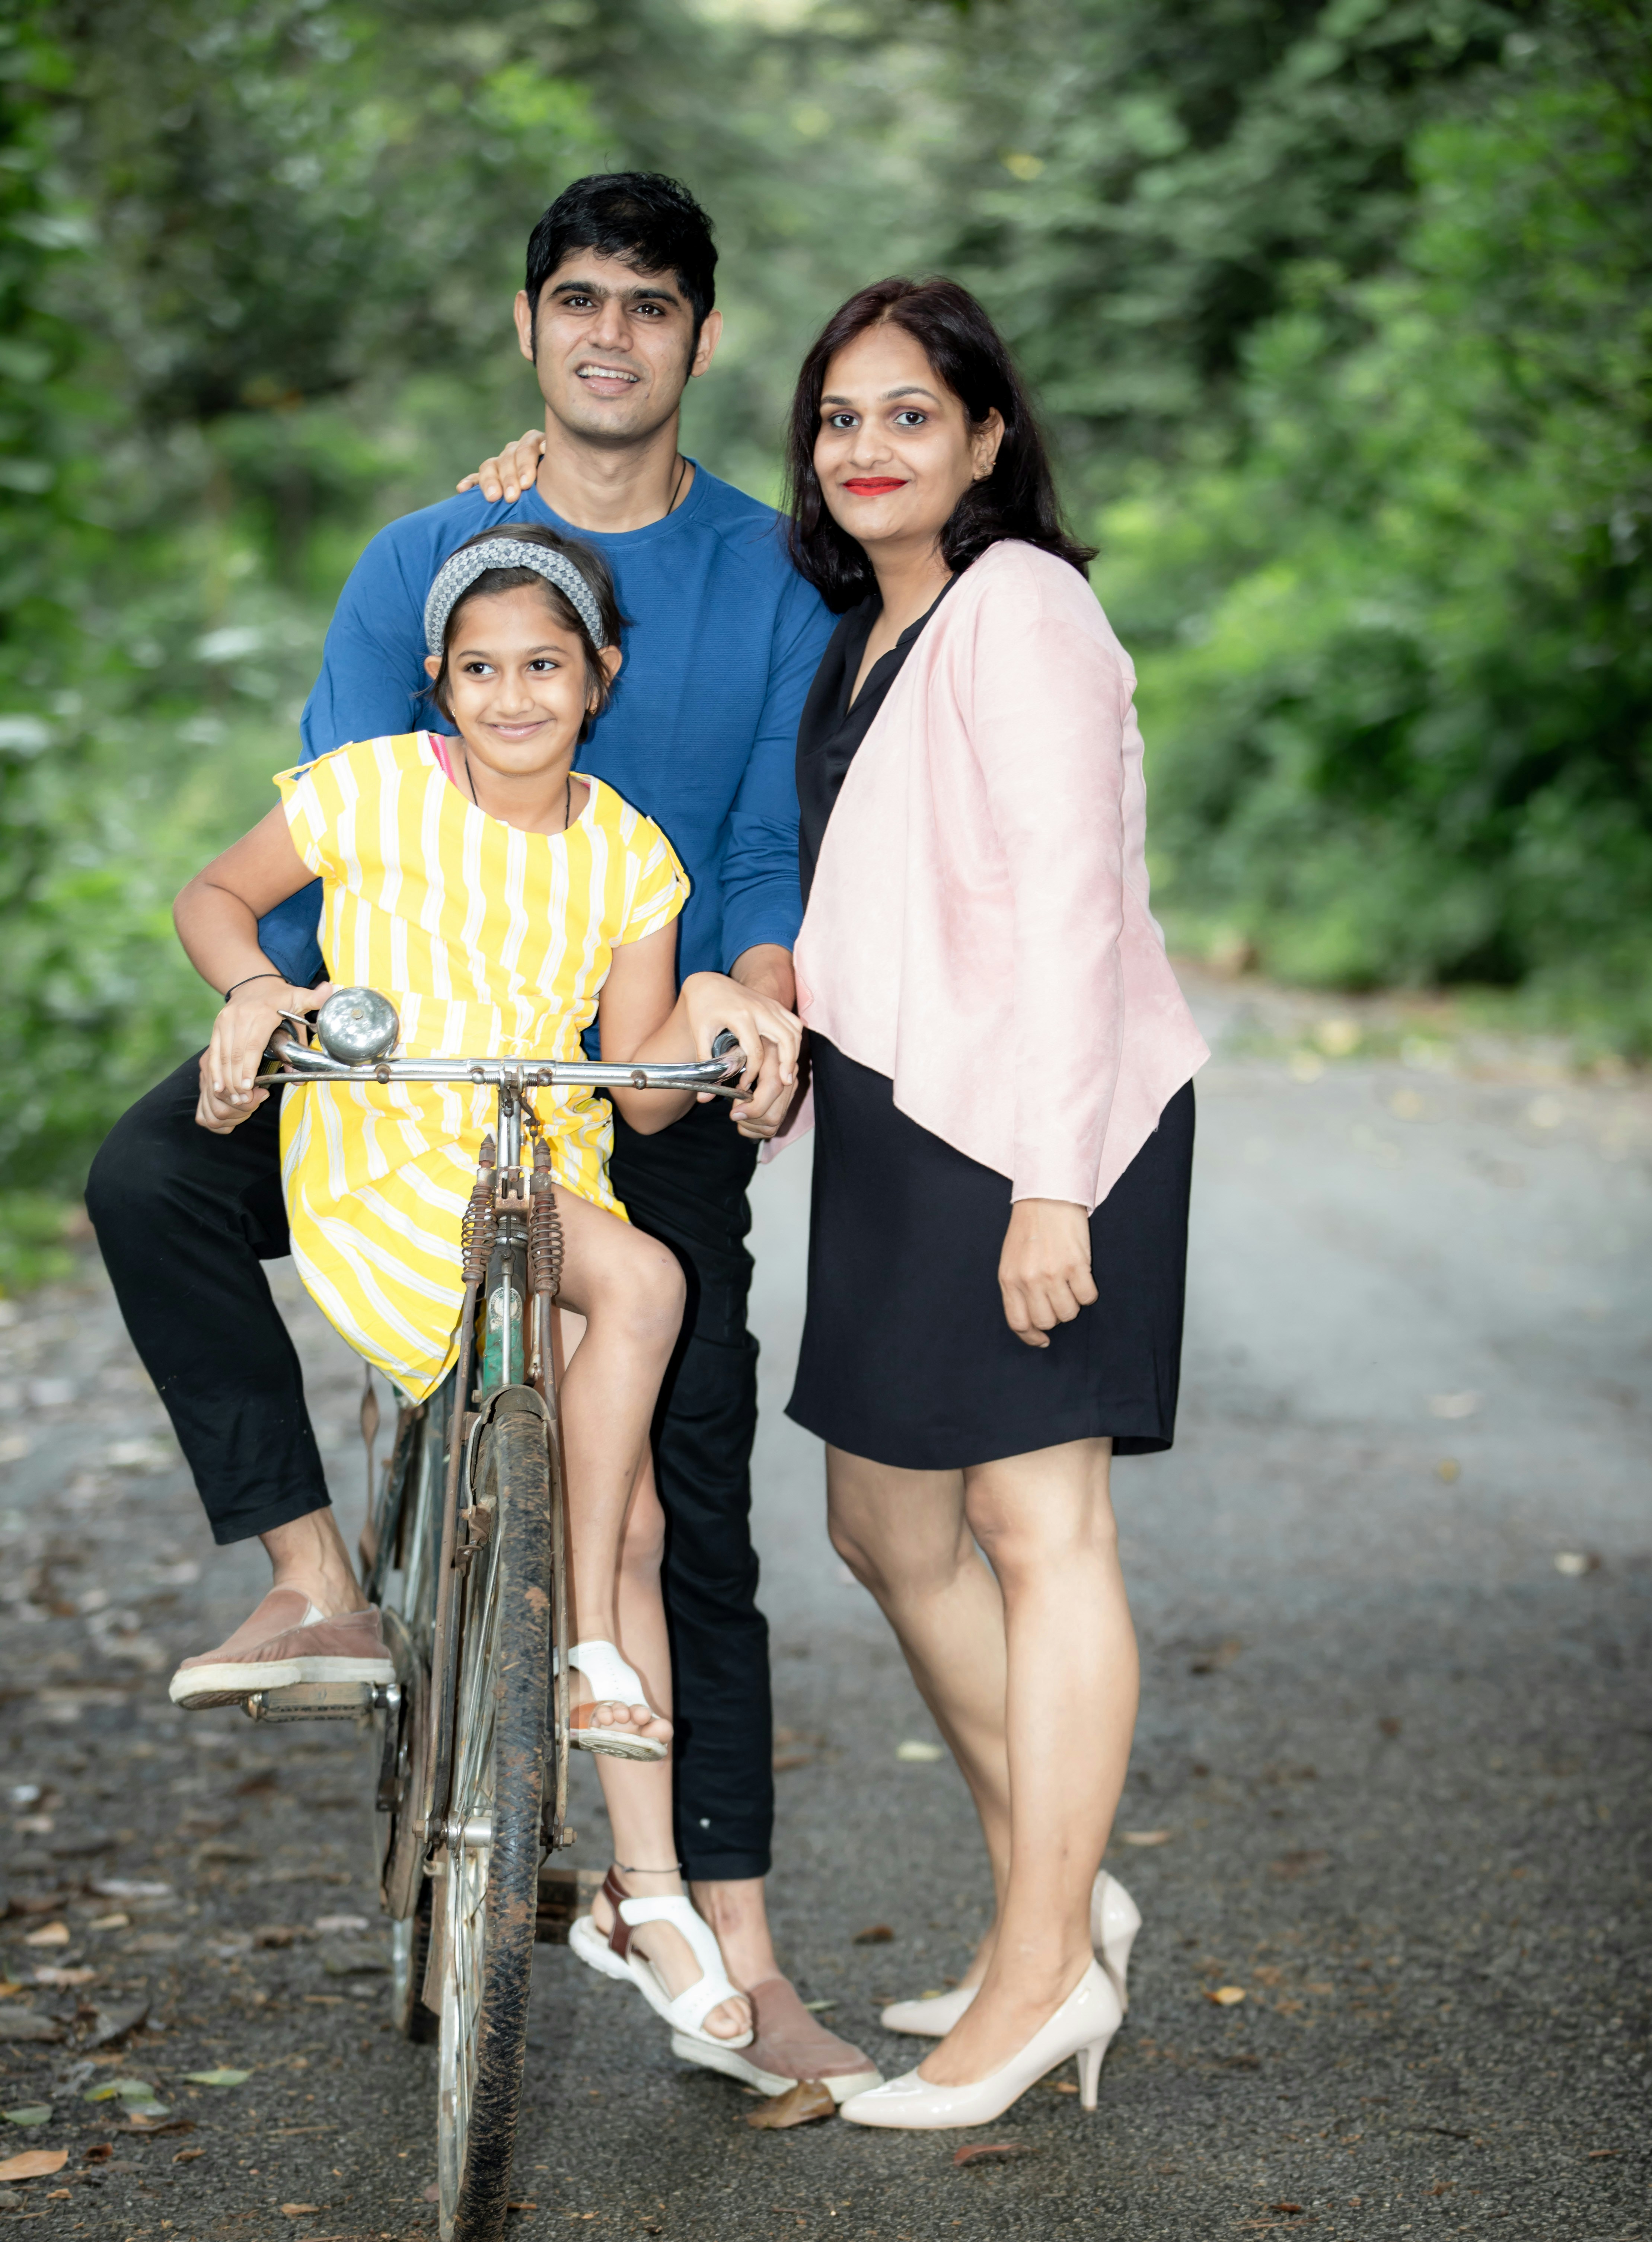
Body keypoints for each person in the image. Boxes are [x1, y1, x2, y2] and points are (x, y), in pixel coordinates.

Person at [86, 172, 879, 2104]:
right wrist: (261, 1009)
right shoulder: (423, 557)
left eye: (653, 305)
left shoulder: (774, 578)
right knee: (145, 1180)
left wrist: (752, 1005)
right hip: (388, 1059)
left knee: (689, 1485)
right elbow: (357, 820)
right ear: (530, 325)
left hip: (631, 1039)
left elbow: (762, 857)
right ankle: (313, 1573)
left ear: (702, 335)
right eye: (579, 301)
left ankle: (727, 1948)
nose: (613, 334)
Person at [168, 529, 806, 2048]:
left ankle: (645, 1893)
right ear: (437, 683)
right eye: (477, 669)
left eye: (542, 665)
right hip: (393, 1152)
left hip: (543, 1159)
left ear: (601, 678)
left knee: (641, 1511)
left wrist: (714, 996)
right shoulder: (378, 786)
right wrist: (258, 984)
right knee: (646, 1281)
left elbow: (645, 1093)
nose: (509, 695)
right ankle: (582, 1643)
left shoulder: (634, 854)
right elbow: (215, 893)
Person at [773, 277, 1209, 2129]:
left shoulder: (1020, 606)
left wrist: (1055, 1189)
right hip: (897, 1117)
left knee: (1043, 1536)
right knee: (882, 1522)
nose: (868, 447)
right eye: (840, 417)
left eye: (907, 414)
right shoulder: (863, 626)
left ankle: (1038, 1978)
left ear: (985, 437)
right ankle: (1061, 1878)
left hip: (1035, 1125)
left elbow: (1067, 911)